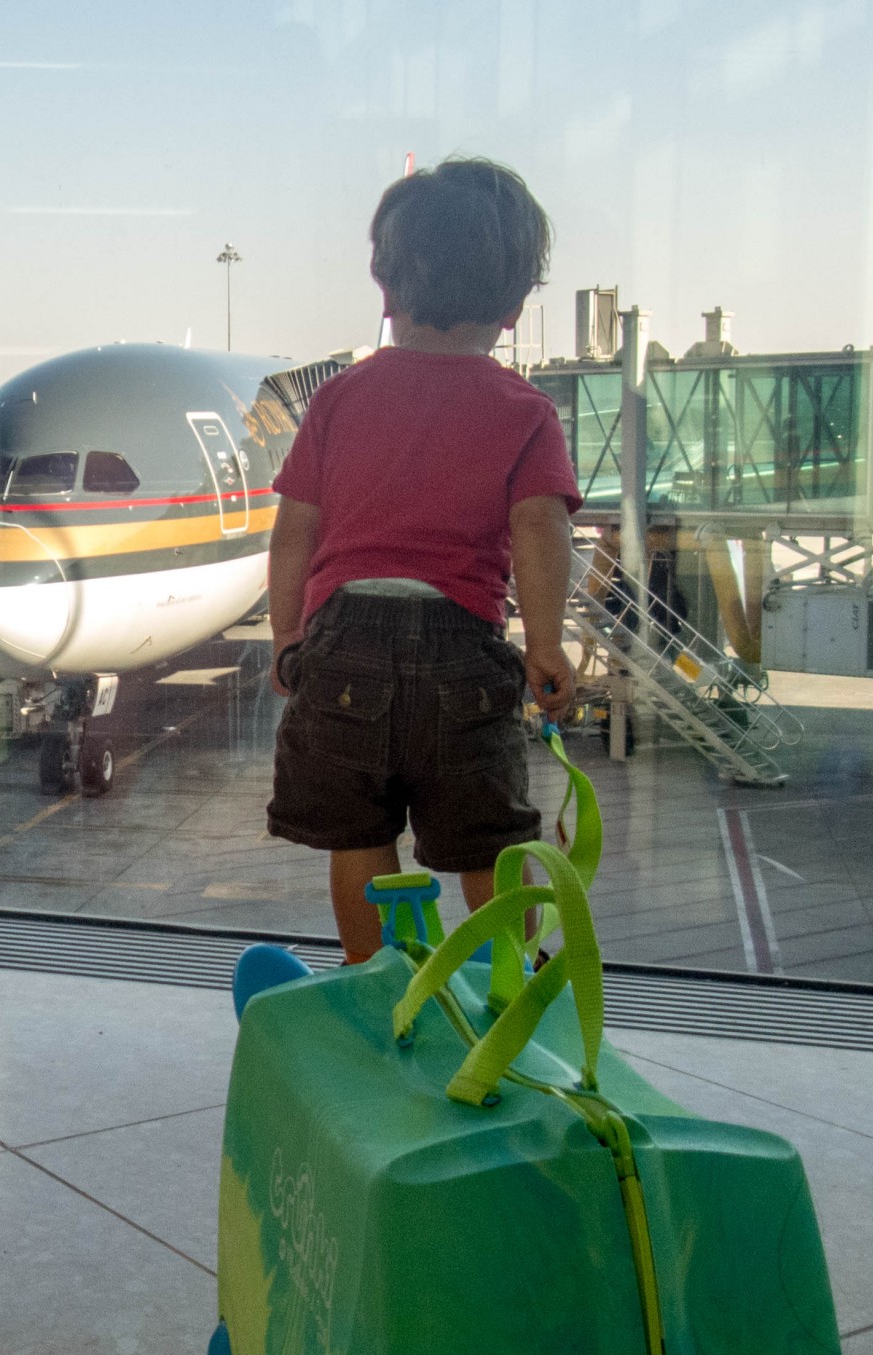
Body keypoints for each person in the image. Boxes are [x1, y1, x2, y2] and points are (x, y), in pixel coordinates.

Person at [266, 157, 580, 963]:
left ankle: (374, 985)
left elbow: (294, 530)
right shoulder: (524, 410)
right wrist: (545, 643)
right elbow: (543, 530)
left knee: (359, 835)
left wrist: (285, 639)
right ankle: (510, 983)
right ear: (512, 308)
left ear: (386, 289)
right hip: (460, 650)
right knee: (488, 842)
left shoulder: (338, 398)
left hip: (340, 645)